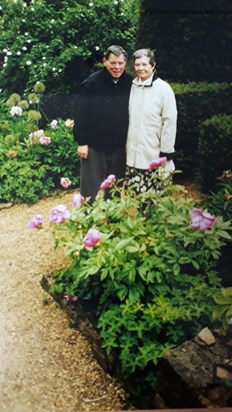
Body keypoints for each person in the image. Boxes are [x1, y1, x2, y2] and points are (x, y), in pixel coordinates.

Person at [73, 45, 132, 201]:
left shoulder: (131, 83)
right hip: (94, 146)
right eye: (113, 63)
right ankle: (87, 220)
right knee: (89, 190)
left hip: (119, 147)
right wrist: (82, 142)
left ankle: (112, 221)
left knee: (115, 190)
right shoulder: (92, 83)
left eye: (120, 63)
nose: (117, 67)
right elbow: (80, 113)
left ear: (125, 63)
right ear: (105, 62)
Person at [125, 48, 177, 194]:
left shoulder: (164, 89)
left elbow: (170, 122)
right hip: (133, 153)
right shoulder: (132, 87)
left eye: (144, 64)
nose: (140, 68)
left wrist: (166, 152)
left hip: (153, 152)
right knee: (135, 196)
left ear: (153, 65)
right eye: (137, 65)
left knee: (154, 196)